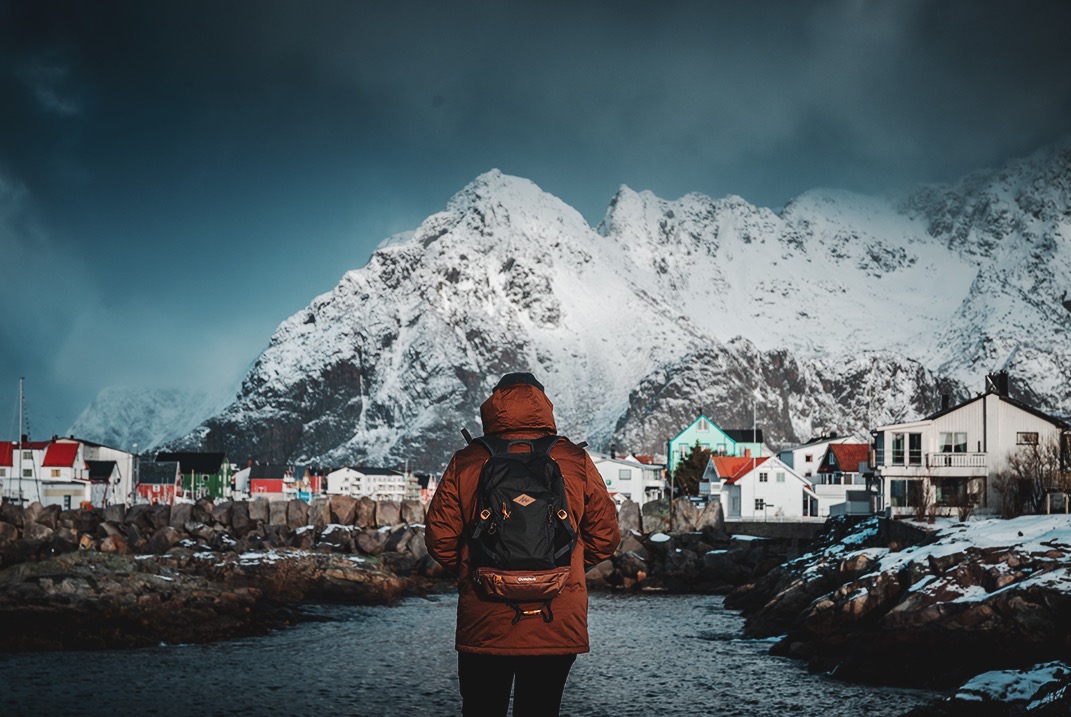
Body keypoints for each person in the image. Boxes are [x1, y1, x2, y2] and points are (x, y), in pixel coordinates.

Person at [425, 372, 621, 717]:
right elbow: (606, 536)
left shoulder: (467, 460)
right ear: (543, 404)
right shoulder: (574, 459)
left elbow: (440, 539)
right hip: (555, 619)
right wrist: (565, 566)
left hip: (485, 620)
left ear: (494, 405)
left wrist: (479, 569)